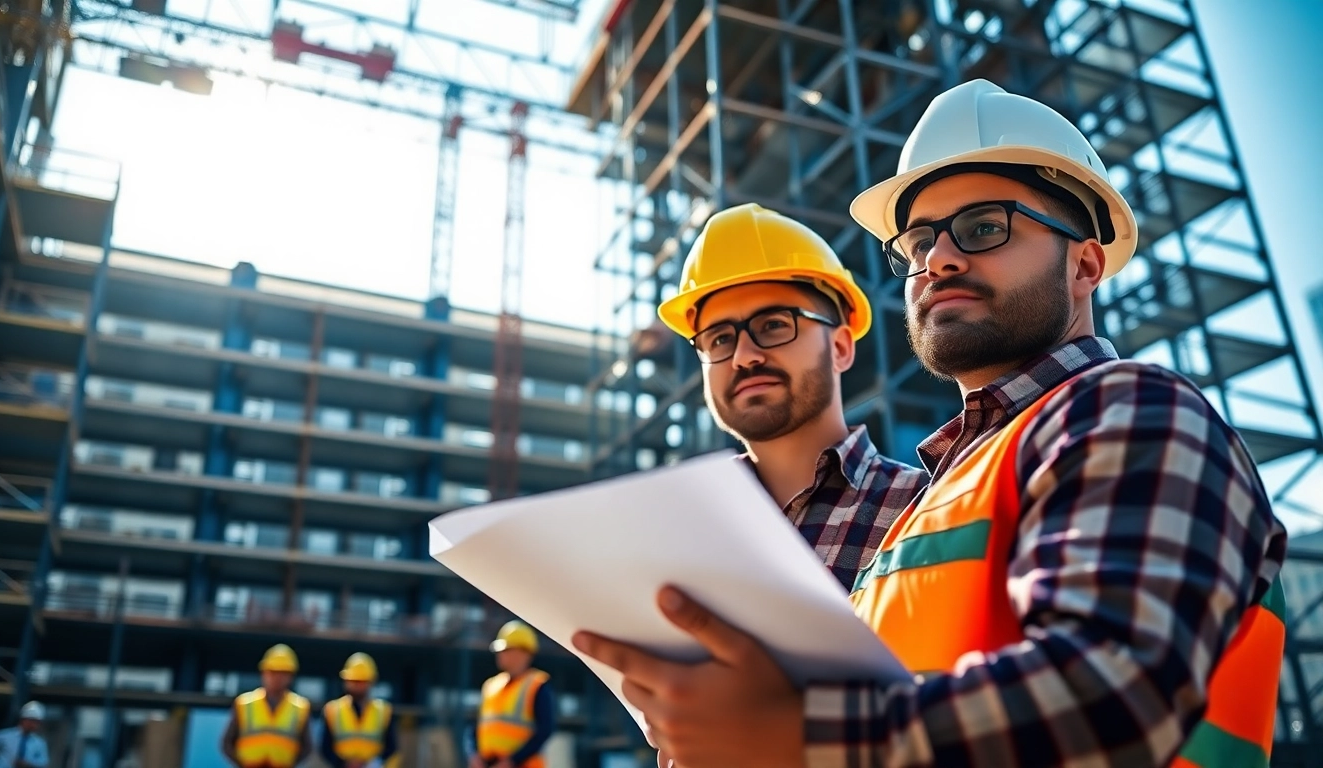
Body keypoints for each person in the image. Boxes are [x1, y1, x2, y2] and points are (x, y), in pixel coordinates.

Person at [571, 78, 1287, 768]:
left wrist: (793, 736)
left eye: (983, 227)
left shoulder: (1130, 410)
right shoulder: (935, 505)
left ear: (1085, 265)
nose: (938, 259)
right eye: (917, 245)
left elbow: (1111, 697)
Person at [656, 202, 927, 591]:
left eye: (773, 325)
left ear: (840, 348)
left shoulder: (924, 509)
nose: (744, 356)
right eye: (719, 339)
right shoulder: (677, 531)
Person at [470, 621, 554, 768]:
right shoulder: (490, 686)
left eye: (506, 650)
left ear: (524, 652)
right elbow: (477, 727)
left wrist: (513, 761)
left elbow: (545, 730)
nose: (500, 655)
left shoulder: (537, 686)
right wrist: (474, 755)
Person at [220, 643, 313, 768]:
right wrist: (241, 764)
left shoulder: (300, 707)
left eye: (283, 673)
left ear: (291, 676)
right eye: (272, 672)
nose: (277, 677)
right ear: (263, 673)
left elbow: (307, 746)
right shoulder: (244, 703)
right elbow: (227, 742)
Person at [319, 652, 398, 768]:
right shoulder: (332, 710)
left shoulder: (384, 711)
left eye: (362, 682)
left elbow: (391, 747)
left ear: (371, 682)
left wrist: (372, 763)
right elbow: (325, 747)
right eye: (354, 681)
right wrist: (344, 763)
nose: (357, 686)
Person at [0, 701, 48, 768]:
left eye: (38, 723)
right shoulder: (4, 736)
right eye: (34, 722)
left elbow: (43, 762)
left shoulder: (39, 742)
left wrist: (28, 764)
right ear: (25, 720)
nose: (36, 725)